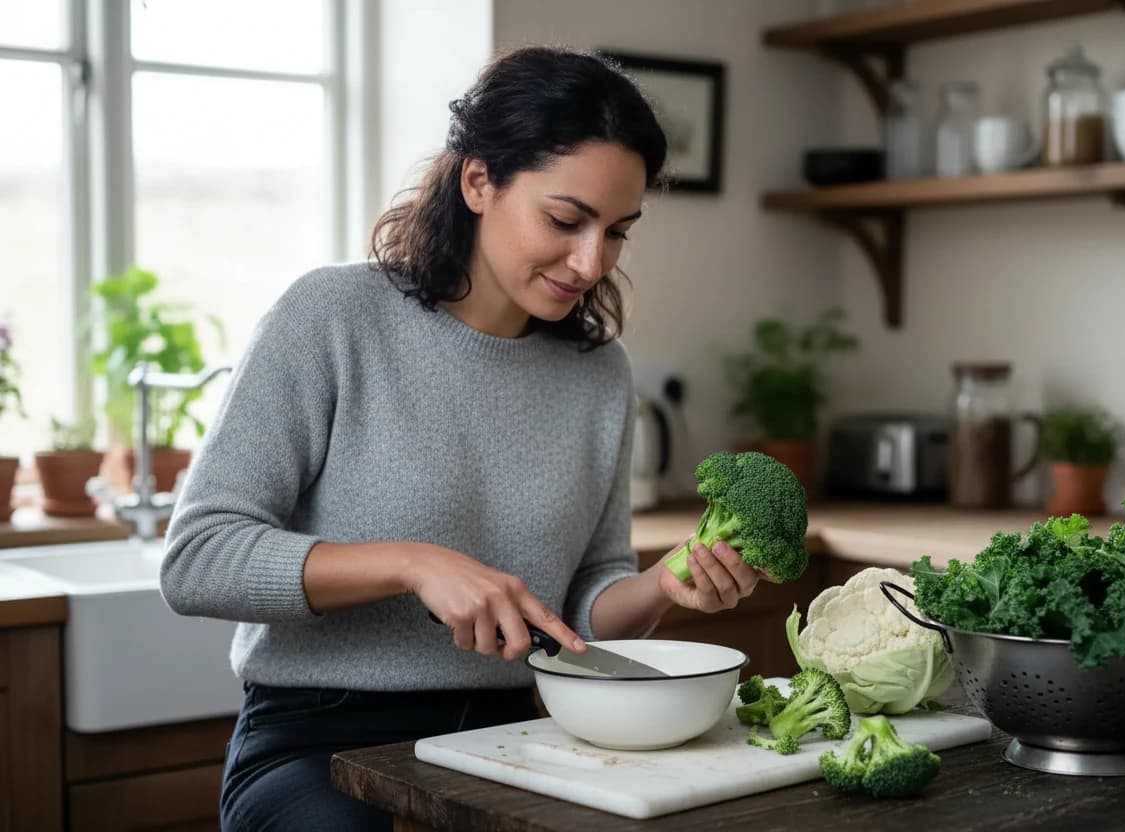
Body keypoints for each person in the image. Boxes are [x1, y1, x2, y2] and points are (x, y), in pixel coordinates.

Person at [161, 45, 765, 832]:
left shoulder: (598, 374)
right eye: (565, 219)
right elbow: (197, 559)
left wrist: (663, 586)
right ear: (478, 181)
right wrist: (412, 564)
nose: (591, 262)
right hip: (321, 745)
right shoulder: (332, 318)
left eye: (617, 232)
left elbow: (583, 607)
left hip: (525, 742)